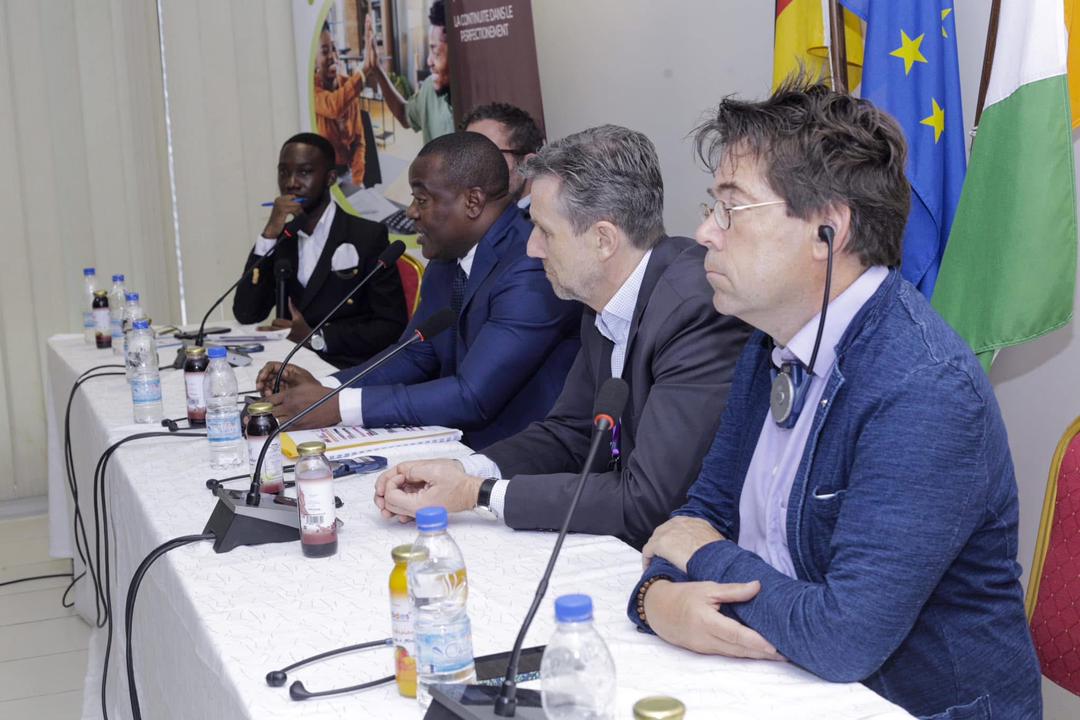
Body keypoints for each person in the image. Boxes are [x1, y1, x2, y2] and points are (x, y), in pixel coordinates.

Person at [629, 80, 1041, 718]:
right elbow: (697, 516)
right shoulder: (770, 340)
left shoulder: (925, 390)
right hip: (789, 684)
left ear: (829, 230)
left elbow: (842, 636)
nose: (705, 231)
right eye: (713, 206)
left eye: (731, 208)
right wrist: (656, 599)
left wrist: (700, 556)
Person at [373, 125, 752, 549]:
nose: (531, 248)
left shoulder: (696, 310)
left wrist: (478, 494)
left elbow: (648, 500)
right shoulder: (601, 296)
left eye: (545, 231)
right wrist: (466, 470)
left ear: (603, 239)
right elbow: (570, 433)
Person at [257, 131, 581, 448]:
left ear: (472, 202)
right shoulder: (447, 259)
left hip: (522, 455)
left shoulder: (530, 264)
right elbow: (414, 353)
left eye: (421, 199)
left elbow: (472, 396)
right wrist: (326, 388)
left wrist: (338, 406)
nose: (411, 211)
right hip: (454, 438)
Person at [232, 132, 407, 368]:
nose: (291, 182)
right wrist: (269, 233)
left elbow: (391, 326)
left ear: (330, 178)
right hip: (290, 366)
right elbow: (246, 313)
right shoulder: (283, 240)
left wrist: (317, 338)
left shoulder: (366, 236)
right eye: (284, 172)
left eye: (304, 172)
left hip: (346, 367)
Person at [364, 0, 454, 144]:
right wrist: (377, 70)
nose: (429, 61)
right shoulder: (429, 89)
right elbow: (404, 114)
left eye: (435, 52)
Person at [314, 22, 368, 190]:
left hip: (349, 174)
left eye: (334, 48)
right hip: (323, 179)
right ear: (314, 61)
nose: (332, 55)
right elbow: (334, 106)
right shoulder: (311, 90)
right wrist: (363, 72)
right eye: (325, 51)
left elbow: (359, 141)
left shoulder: (348, 85)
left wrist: (357, 181)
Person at [463, 102, 544, 208]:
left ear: (529, 165)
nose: (474, 167)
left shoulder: (549, 215)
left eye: (488, 155)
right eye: (468, 156)